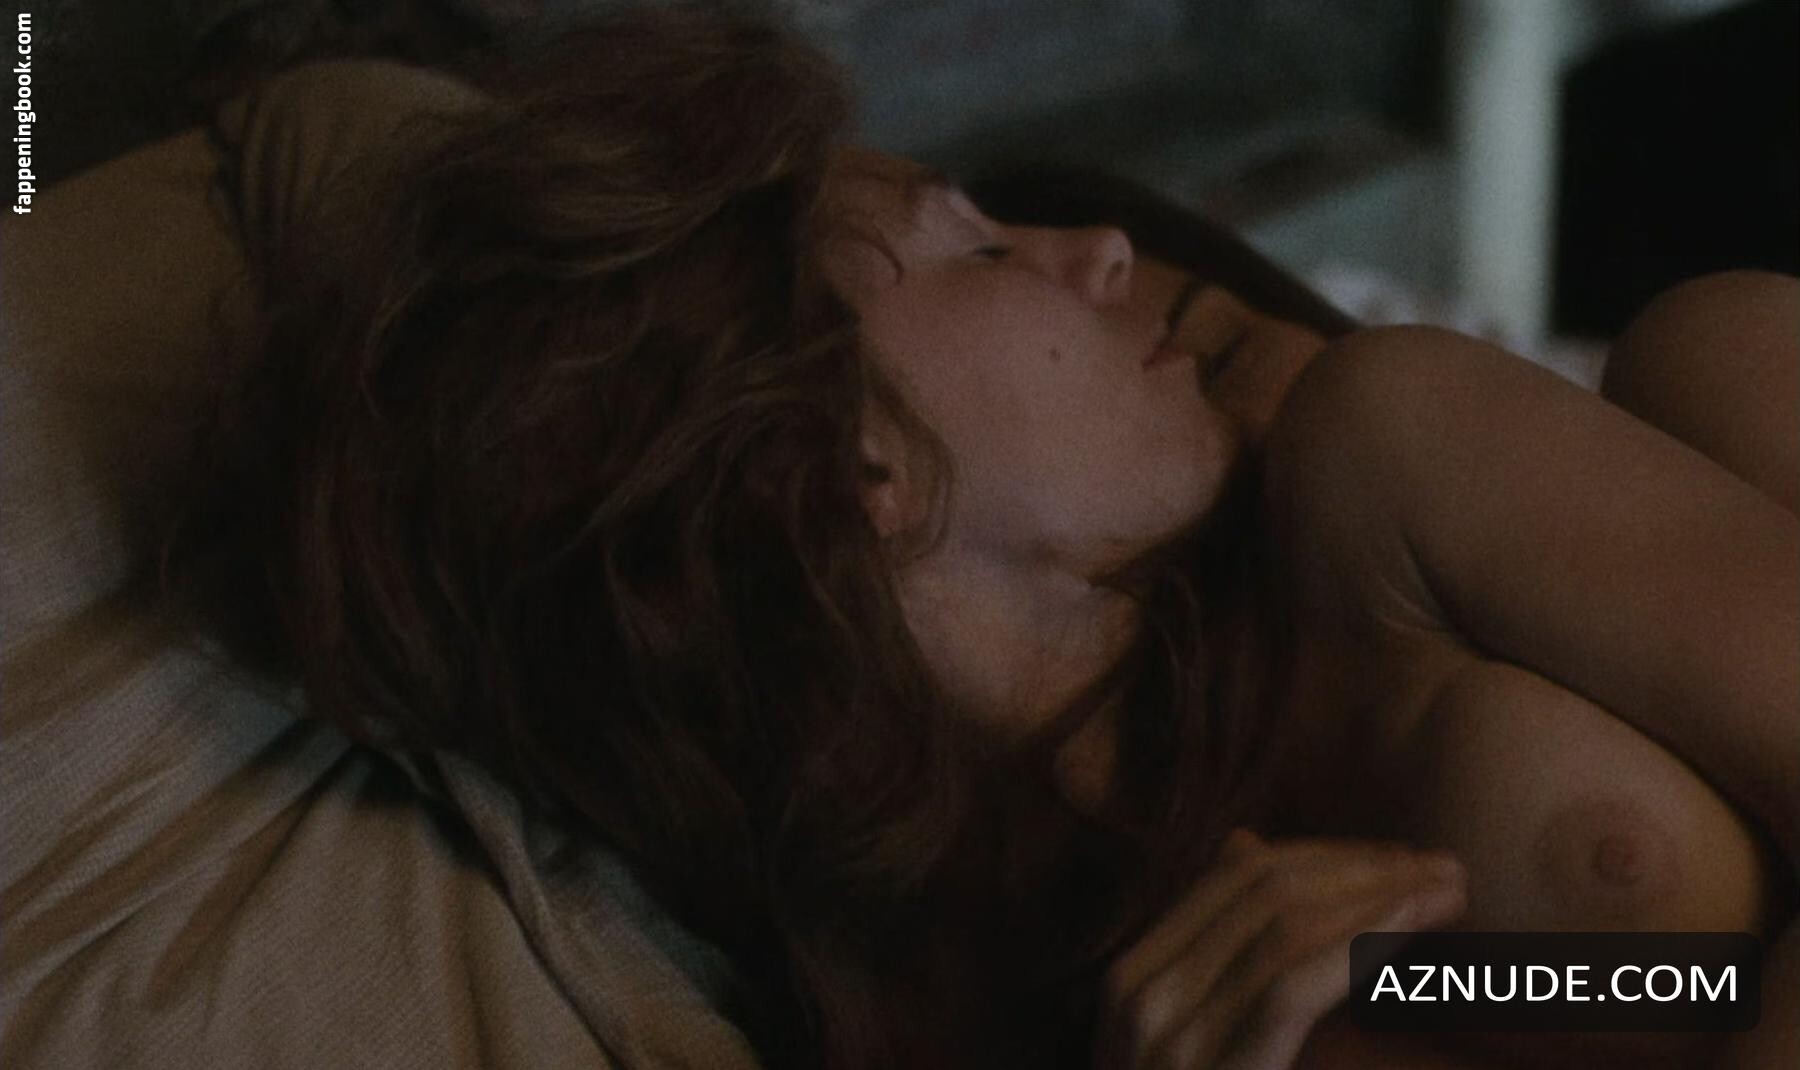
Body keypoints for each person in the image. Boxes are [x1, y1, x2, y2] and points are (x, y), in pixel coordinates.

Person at [162, 5, 1798, 1068]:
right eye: (982, 251)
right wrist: (1407, 994)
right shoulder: (952, 1005)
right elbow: (1677, 990)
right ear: (844, 468)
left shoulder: (1387, 453)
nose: (1101, 252)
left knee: (1714, 346)